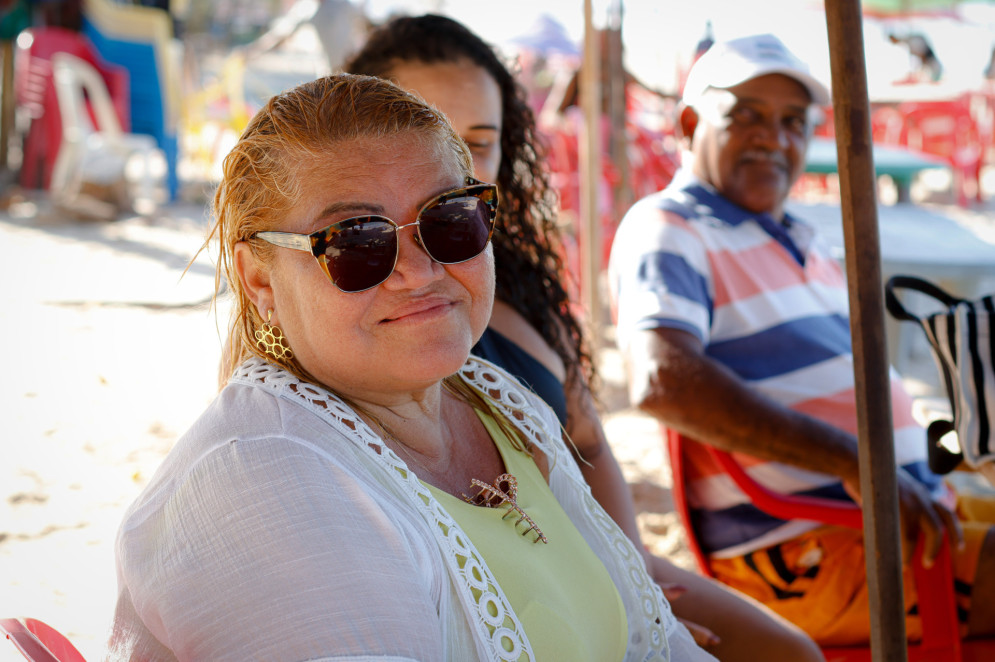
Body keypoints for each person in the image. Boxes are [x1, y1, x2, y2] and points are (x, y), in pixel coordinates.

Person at [106, 73, 714, 661]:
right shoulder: (261, 478)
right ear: (260, 279)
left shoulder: (498, 403)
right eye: (357, 242)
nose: (420, 270)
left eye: (450, 219)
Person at [345, 15, 822, 662]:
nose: (452, 168)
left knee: (788, 653)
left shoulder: (516, 283)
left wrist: (628, 575)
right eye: (424, 135)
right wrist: (607, 598)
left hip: (596, 543)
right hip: (491, 579)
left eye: (478, 143)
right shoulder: (372, 300)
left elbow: (591, 442)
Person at [609, 33, 995, 647]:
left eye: (793, 122)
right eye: (746, 117)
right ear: (688, 124)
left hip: (905, 509)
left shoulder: (803, 239)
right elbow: (662, 379)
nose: (774, 138)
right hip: (811, 547)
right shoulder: (671, 224)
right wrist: (855, 462)